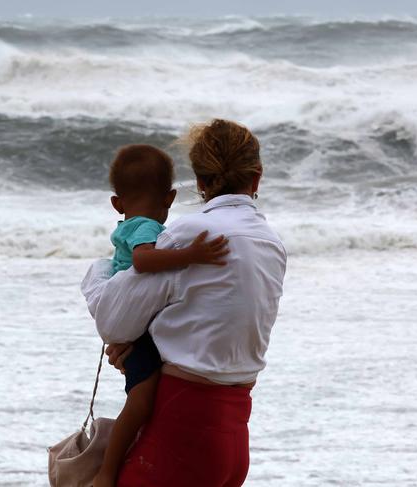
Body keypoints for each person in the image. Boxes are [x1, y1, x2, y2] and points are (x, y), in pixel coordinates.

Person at [82, 119, 287, 487]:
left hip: (183, 426)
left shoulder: (188, 234)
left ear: (201, 183)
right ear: (256, 179)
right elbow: (219, 320)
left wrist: (97, 273)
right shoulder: (272, 243)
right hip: (235, 433)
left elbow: (113, 322)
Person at [93, 144, 230, 487]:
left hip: (129, 322)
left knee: (141, 397)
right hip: (135, 329)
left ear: (116, 203)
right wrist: (191, 254)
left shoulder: (128, 224)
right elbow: (143, 261)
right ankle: (106, 474)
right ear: (170, 198)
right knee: (140, 401)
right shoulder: (147, 229)